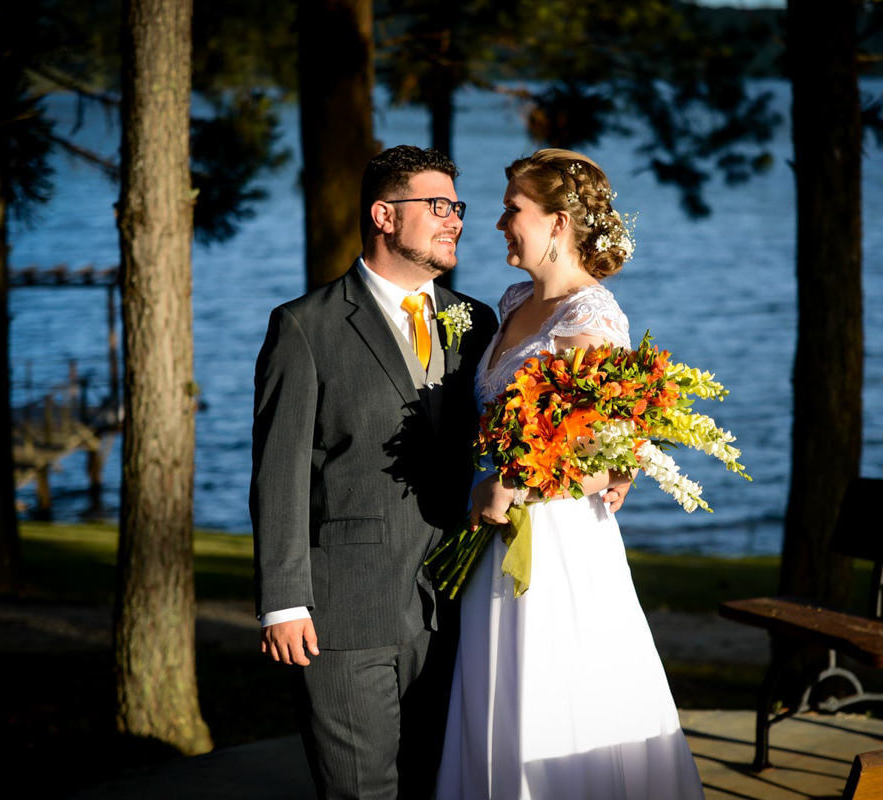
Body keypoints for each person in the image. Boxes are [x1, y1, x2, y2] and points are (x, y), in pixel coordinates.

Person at [435, 149, 705, 799]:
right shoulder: (515, 297)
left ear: (558, 222)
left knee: (552, 695)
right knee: (494, 697)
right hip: (496, 534)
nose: (498, 223)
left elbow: (605, 467)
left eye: (512, 210)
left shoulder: (593, 321)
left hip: (556, 547)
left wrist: (515, 483)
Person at [249, 145, 498, 799]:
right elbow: (279, 474)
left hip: (457, 606)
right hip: (347, 609)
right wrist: (283, 601)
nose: (455, 221)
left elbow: (504, 440)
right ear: (385, 215)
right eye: (437, 206)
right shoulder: (305, 328)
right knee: (362, 791)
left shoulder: (475, 320)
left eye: (457, 207)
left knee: (440, 785)